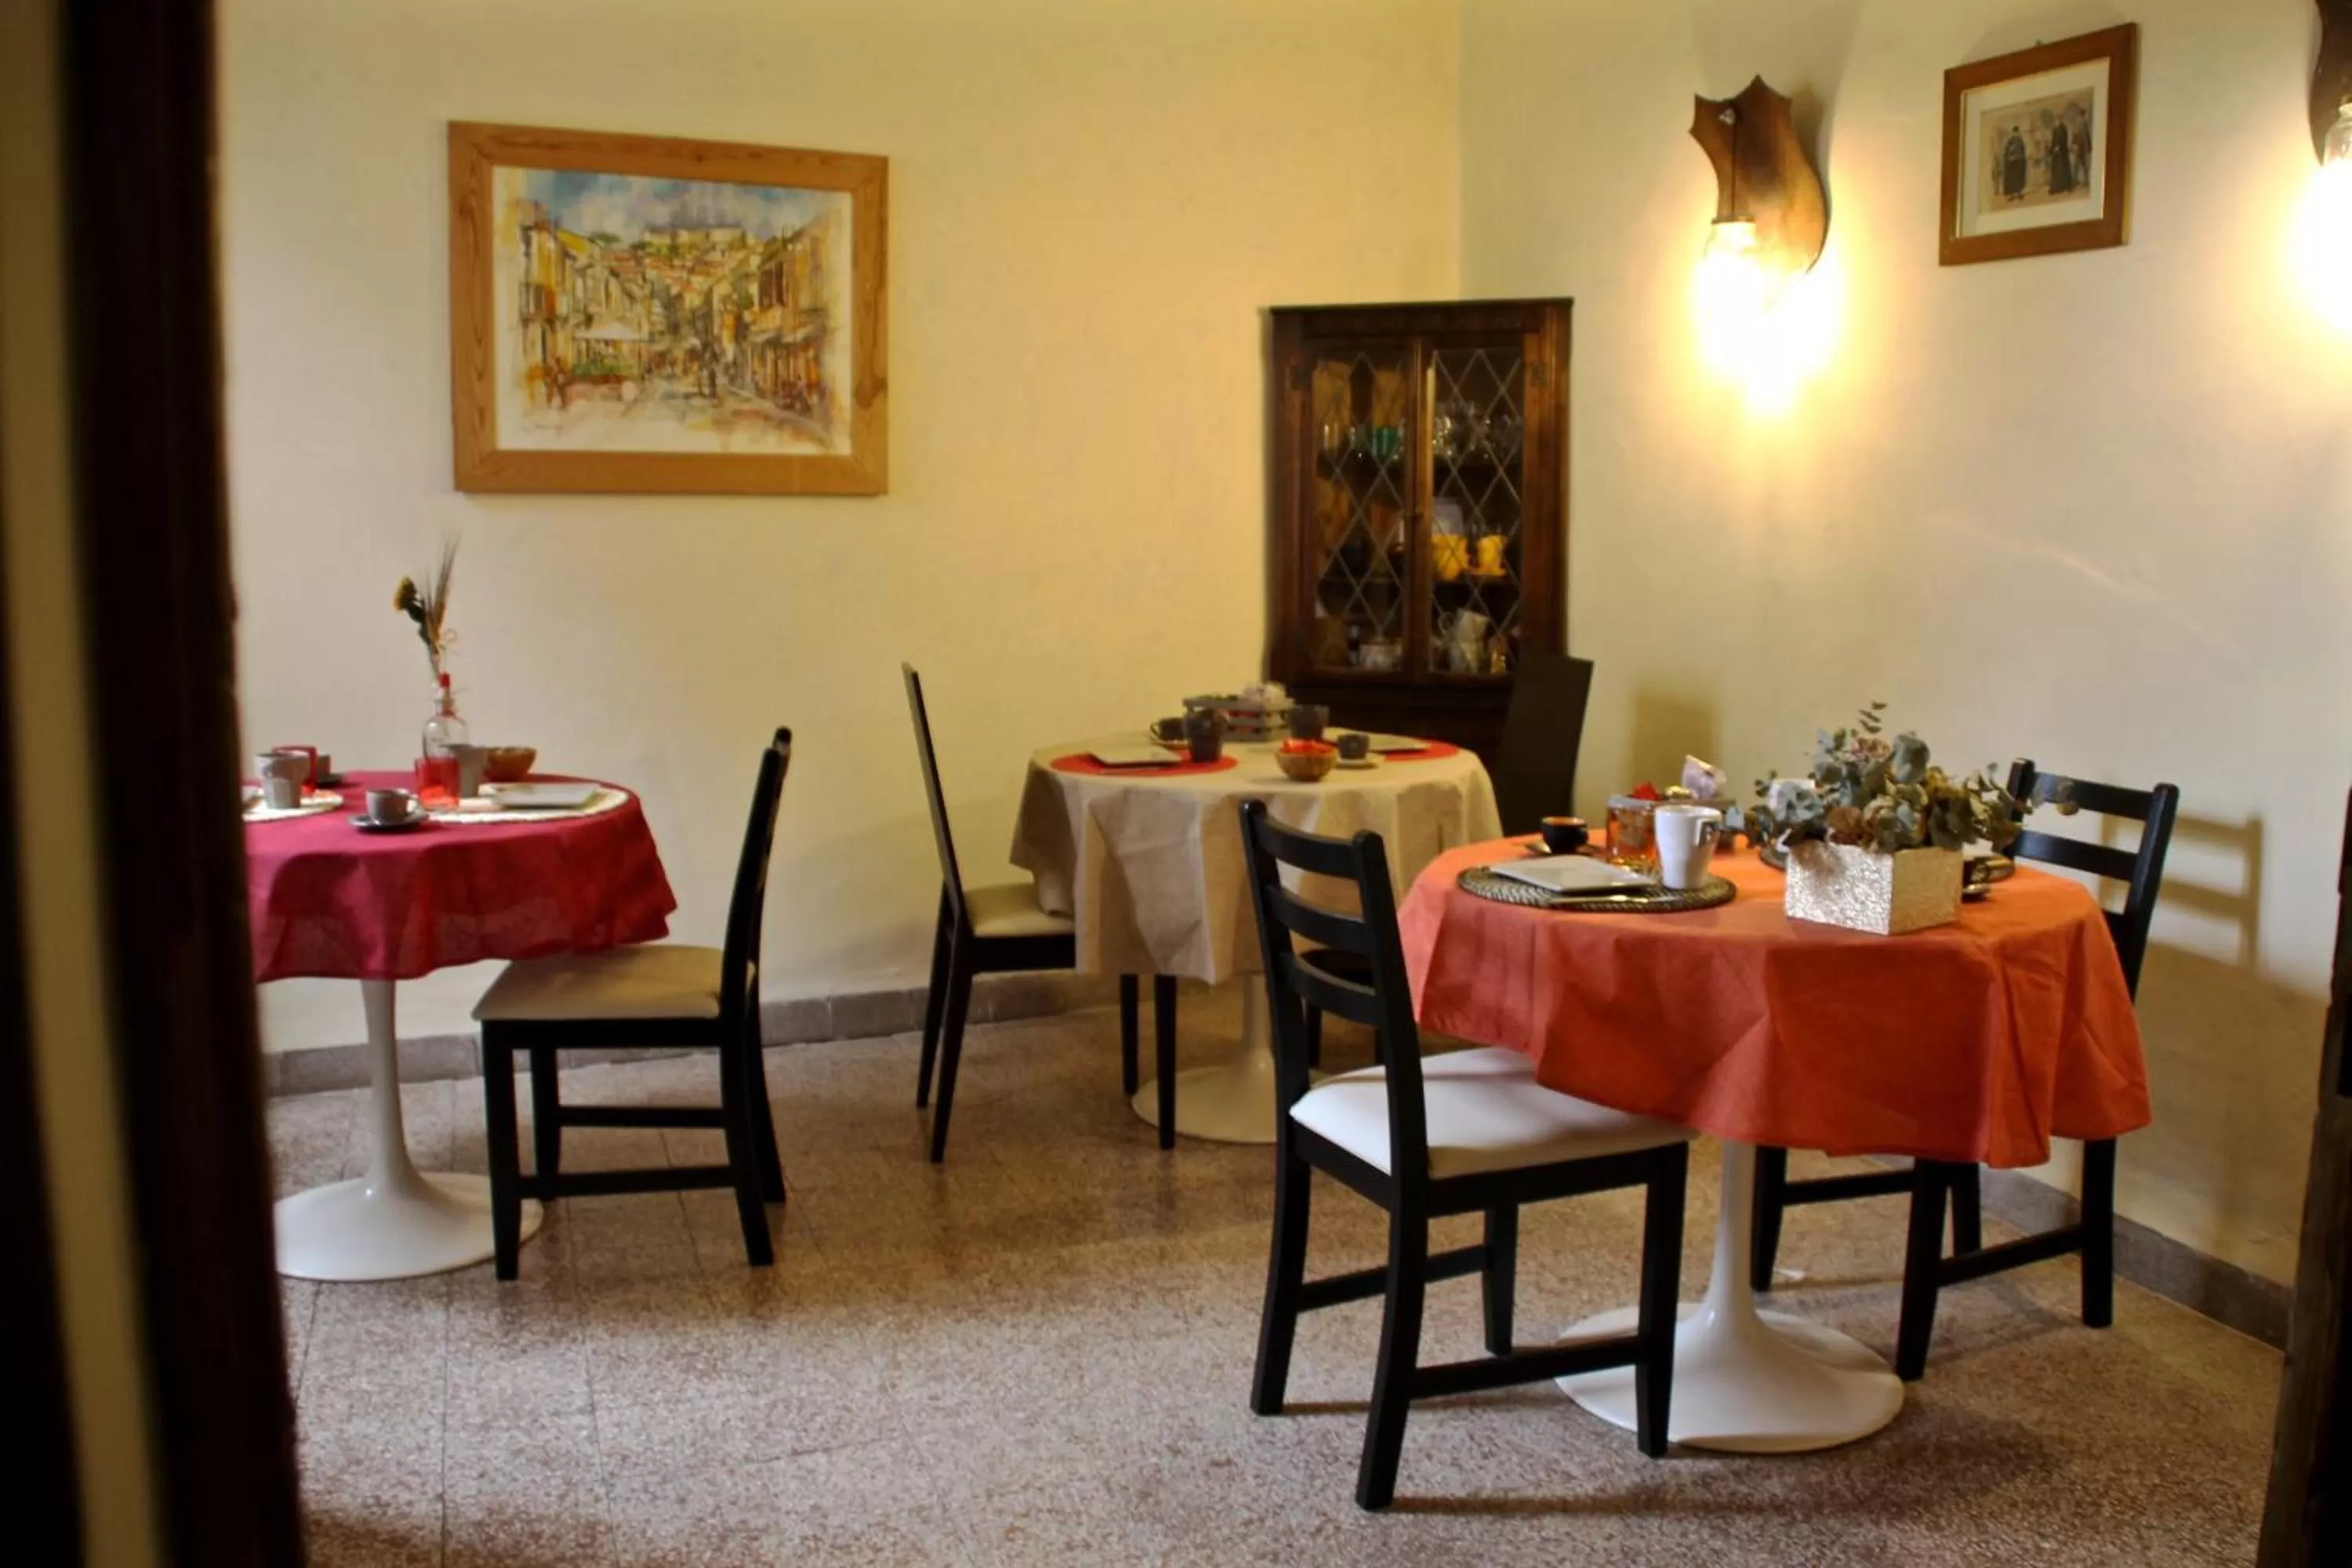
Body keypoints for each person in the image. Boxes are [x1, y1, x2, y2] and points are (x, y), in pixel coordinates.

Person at [2047, 118, 2076, 196]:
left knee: (2063, 170)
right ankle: (2057, 187)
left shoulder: (2063, 129)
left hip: (2062, 154)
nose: (2056, 122)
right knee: (2056, 171)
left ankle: (2064, 187)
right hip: (2057, 154)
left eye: (2058, 120)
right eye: (2056, 121)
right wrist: (2052, 150)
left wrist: (2058, 147)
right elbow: (2054, 141)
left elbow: (2062, 141)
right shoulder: (2056, 130)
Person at [2001, 125, 2029, 201]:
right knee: (2015, 178)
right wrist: (2013, 157)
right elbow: (2009, 152)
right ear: (2015, 132)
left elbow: (2021, 151)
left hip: (2017, 163)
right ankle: (2015, 194)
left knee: (2016, 178)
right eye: (2016, 132)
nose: (2017, 133)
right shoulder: (2014, 141)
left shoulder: (2017, 140)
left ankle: (2017, 194)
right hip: (2015, 163)